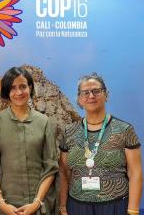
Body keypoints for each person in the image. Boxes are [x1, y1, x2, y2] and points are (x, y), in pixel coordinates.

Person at [58, 73, 143, 215]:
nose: (91, 96)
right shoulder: (69, 132)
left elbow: (135, 172)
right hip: (77, 207)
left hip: (115, 206)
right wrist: (62, 206)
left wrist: (133, 211)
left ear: (106, 95)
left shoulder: (124, 130)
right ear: (79, 99)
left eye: (96, 91)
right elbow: (64, 172)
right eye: (85, 92)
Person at [0, 67, 59, 215]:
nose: (19, 93)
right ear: (7, 91)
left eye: (23, 86)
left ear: (30, 88)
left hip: (37, 207)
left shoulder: (43, 121)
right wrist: (1, 203)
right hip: (5, 207)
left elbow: (51, 167)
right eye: (13, 88)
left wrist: (36, 203)